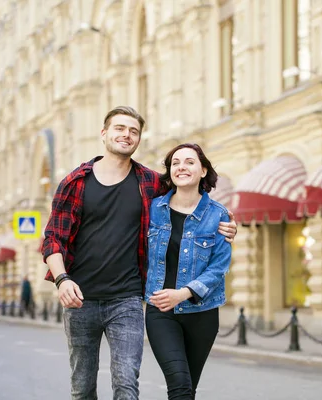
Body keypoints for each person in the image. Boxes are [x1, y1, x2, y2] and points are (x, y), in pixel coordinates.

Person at [41, 106, 237, 400]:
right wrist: (62, 279)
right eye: (119, 128)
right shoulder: (75, 182)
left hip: (128, 299)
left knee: (126, 384)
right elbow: (54, 238)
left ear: (139, 139)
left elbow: (189, 198)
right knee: (82, 387)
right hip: (81, 298)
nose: (126, 135)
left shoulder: (150, 183)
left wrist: (228, 224)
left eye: (133, 131)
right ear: (104, 133)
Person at [145, 143, 232, 400]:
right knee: (180, 384)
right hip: (161, 312)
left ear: (203, 170)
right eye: (176, 163)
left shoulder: (219, 215)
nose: (182, 166)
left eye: (190, 162)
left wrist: (183, 293)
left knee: (187, 390)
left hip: (202, 314)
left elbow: (219, 267)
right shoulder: (151, 210)